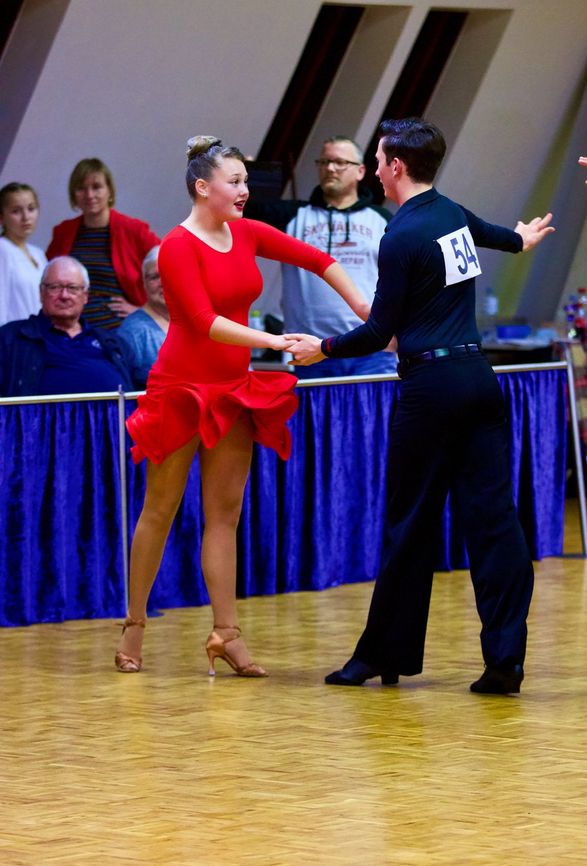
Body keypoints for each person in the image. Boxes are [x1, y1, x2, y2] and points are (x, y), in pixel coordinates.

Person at [288, 118, 555, 694]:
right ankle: (505, 660)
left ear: (395, 168)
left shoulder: (401, 235)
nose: (377, 170)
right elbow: (498, 236)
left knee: (410, 525)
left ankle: (381, 656)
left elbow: (380, 328)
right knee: (494, 522)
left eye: (380, 161)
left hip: (430, 387)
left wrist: (323, 348)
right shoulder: (450, 211)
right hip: (479, 381)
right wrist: (522, 238)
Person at [115, 135, 368, 675]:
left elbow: (320, 260)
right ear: (203, 187)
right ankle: (134, 624)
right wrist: (276, 343)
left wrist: (367, 311)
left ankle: (225, 633)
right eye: (235, 181)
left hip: (232, 390)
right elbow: (204, 322)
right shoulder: (177, 246)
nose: (245, 191)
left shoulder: (248, 233)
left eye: (245, 182)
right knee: (159, 511)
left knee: (223, 516)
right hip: (181, 390)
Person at [245, 136, 396, 377]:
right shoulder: (293, 215)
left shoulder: (382, 219)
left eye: (339, 162)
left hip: (370, 349)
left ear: (360, 171)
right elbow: (245, 211)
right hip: (309, 349)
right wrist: (251, 174)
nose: (330, 168)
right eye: (324, 162)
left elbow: (403, 278)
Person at [46, 158, 160, 330]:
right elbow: (47, 281)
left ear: (109, 191)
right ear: (73, 194)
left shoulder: (134, 230)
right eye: (81, 188)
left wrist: (144, 312)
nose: (89, 195)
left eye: (96, 187)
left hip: (118, 333)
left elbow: (172, 270)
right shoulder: (63, 232)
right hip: (70, 332)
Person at [0, 255, 132, 396]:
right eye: (55, 287)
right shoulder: (10, 338)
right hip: (41, 418)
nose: (64, 295)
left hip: (112, 417)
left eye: (72, 288)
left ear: (85, 296)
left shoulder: (113, 343)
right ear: (41, 293)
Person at [117, 246, 168, 390]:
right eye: (155, 277)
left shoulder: (198, 322)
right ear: (144, 284)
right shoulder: (131, 332)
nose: (163, 282)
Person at [0, 182, 46, 326]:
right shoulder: (2, 249)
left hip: (39, 339)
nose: (26, 217)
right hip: (13, 340)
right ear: (1, 217)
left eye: (31, 209)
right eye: (16, 211)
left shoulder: (38, 254)